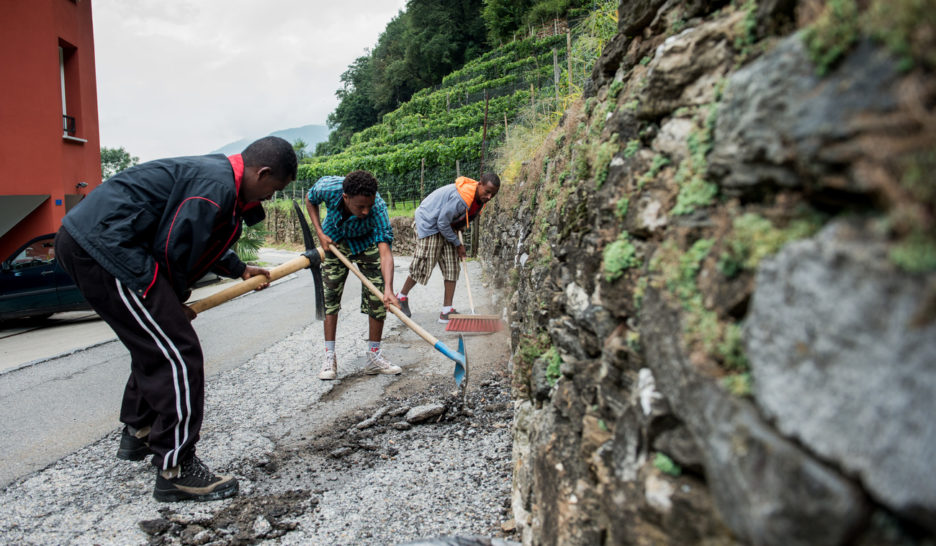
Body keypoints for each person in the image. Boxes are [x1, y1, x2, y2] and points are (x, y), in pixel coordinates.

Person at [55, 136, 297, 502]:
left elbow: (205, 237)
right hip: (107, 247)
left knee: (155, 344)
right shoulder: (215, 186)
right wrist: (171, 302)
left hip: (96, 241)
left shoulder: (219, 180)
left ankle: (139, 430)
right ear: (261, 172)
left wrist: (238, 268)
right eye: (272, 189)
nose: (268, 199)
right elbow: (172, 246)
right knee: (179, 352)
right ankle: (177, 468)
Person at [305, 170, 402, 381]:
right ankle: (329, 356)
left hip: (365, 243)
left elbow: (385, 252)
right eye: (360, 207)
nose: (366, 211)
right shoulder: (328, 188)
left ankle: (373, 357)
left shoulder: (378, 208)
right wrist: (320, 233)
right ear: (345, 197)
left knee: (378, 296)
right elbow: (310, 199)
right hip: (335, 241)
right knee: (330, 297)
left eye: (369, 205)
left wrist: (388, 289)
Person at [396, 173, 500, 322]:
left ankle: (446, 311)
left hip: (446, 226)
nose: (489, 197)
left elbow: (459, 218)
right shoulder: (461, 198)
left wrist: (459, 229)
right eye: (487, 192)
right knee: (423, 265)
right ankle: (401, 297)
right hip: (430, 223)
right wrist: (458, 244)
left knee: (452, 267)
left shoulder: (479, 200)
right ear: (479, 184)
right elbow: (442, 222)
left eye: (493, 194)